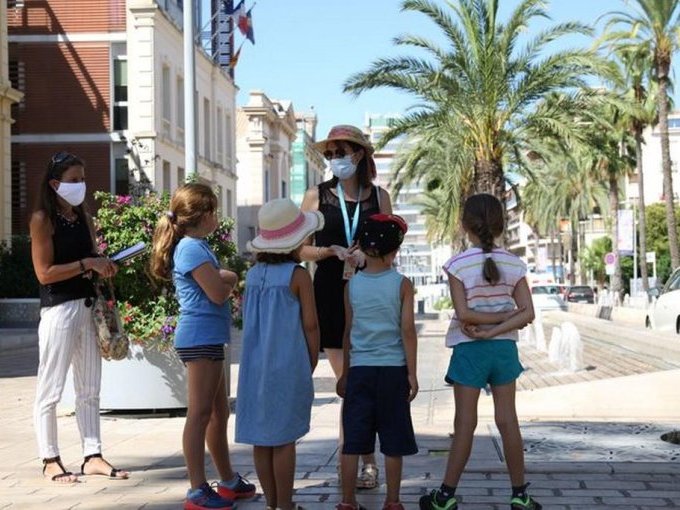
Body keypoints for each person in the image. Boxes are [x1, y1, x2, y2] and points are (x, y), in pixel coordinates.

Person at [419, 194, 541, 510]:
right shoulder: (514, 265)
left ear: (464, 225)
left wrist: (484, 329)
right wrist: (502, 324)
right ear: (501, 225)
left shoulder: (458, 265)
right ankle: (520, 495)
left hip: (469, 351)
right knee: (508, 421)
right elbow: (527, 313)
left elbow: (465, 314)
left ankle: (445, 496)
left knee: (464, 424)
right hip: (503, 351)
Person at [150, 183, 255, 510]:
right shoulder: (192, 249)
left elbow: (216, 279)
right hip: (200, 337)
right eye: (214, 211)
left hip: (208, 336)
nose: (218, 218)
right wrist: (230, 278)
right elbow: (217, 292)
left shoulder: (197, 246)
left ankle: (227, 480)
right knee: (199, 414)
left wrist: (224, 276)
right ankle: (197, 488)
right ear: (203, 215)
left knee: (218, 412)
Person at [300, 124, 392, 489]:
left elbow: (391, 248)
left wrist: (368, 256)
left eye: (341, 152)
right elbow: (296, 246)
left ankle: (362, 460)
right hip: (329, 293)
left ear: (359, 154)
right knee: (349, 383)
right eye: (330, 154)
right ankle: (357, 462)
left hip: (370, 292)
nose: (336, 159)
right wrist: (329, 251)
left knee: (364, 381)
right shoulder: (316, 196)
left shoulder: (378, 197)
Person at [30, 151, 128, 484]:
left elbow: (89, 259)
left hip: (88, 307)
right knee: (51, 387)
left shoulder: (83, 216)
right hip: (59, 309)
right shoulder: (42, 219)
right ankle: (50, 458)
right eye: (74, 180)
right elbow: (44, 273)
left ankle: (93, 454)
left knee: (90, 388)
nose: (80, 186)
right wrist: (88, 264)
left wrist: (103, 263)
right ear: (55, 183)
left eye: (83, 179)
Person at [236, 198, 323, 510]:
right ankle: (286, 505)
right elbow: (311, 326)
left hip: (255, 366)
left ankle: (272, 504)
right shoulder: (298, 276)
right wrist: (311, 359)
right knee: (285, 438)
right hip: (287, 364)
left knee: (262, 438)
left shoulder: (254, 275)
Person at [336, 214, 418, 510]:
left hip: (359, 372)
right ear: (394, 252)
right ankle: (393, 501)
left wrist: (344, 374)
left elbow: (348, 332)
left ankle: (347, 501)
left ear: (364, 249)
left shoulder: (352, 287)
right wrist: (412, 373)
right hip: (393, 371)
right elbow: (407, 331)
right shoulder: (402, 285)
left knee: (353, 441)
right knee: (393, 440)